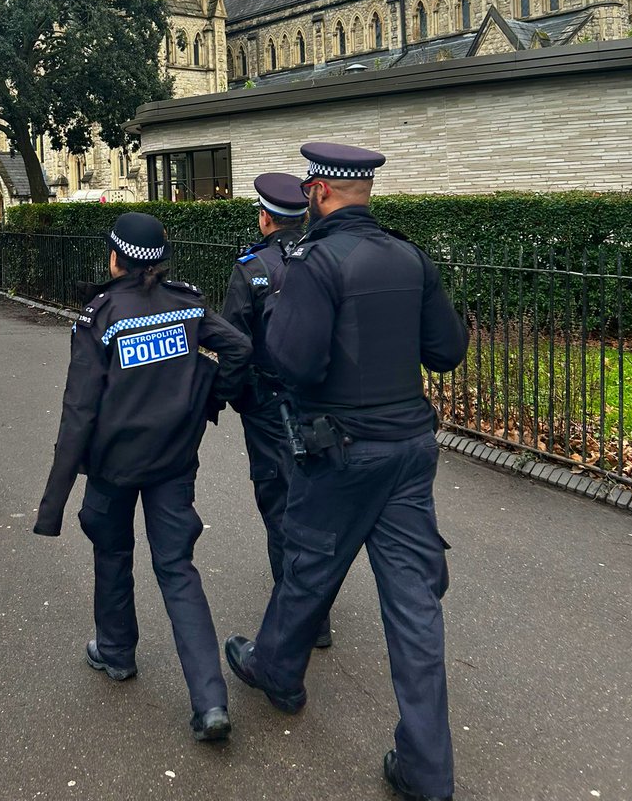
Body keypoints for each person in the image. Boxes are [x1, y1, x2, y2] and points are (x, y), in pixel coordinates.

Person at [225, 142, 469, 801]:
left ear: (321, 192)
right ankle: (426, 768)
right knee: (415, 605)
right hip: (410, 451)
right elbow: (446, 350)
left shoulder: (313, 263)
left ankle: (276, 670)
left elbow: (294, 364)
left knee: (308, 564)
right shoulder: (409, 256)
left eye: (309, 187)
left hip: (340, 451)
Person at [34, 213, 252, 742]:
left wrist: (54, 501)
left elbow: (79, 411)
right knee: (177, 569)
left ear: (115, 258)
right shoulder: (187, 304)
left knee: (112, 554)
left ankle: (116, 652)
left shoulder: (100, 318)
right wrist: (205, 398)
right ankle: (210, 702)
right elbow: (240, 349)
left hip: (113, 467)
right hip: (174, 462)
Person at [220, 172, 331, 649]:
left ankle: (299, 613)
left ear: (264, 217)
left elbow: (233, 345)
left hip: (266, 404)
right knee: (316, 499)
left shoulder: (250, 269)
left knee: (278, 500)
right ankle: (318, 608)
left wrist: (227, 396)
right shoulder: (323, 259)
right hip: (319, 401)